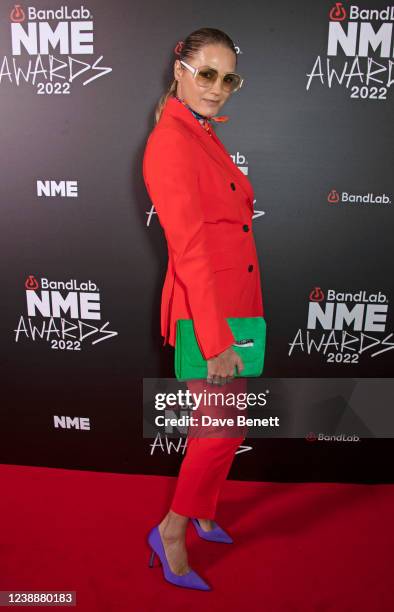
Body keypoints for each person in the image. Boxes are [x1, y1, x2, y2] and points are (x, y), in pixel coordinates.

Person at [142, 27, 264, 591]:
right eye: (207, 74)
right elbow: (188, 249)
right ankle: (171, 531)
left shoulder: (202, 132)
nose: (218, 88)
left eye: (228, 78)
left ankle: (203, 511)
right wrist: (215, 340)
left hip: (234, 307)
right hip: (205, 315)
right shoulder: (171, 141)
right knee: (216, 430)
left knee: (226, 425)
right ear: (181, 70)